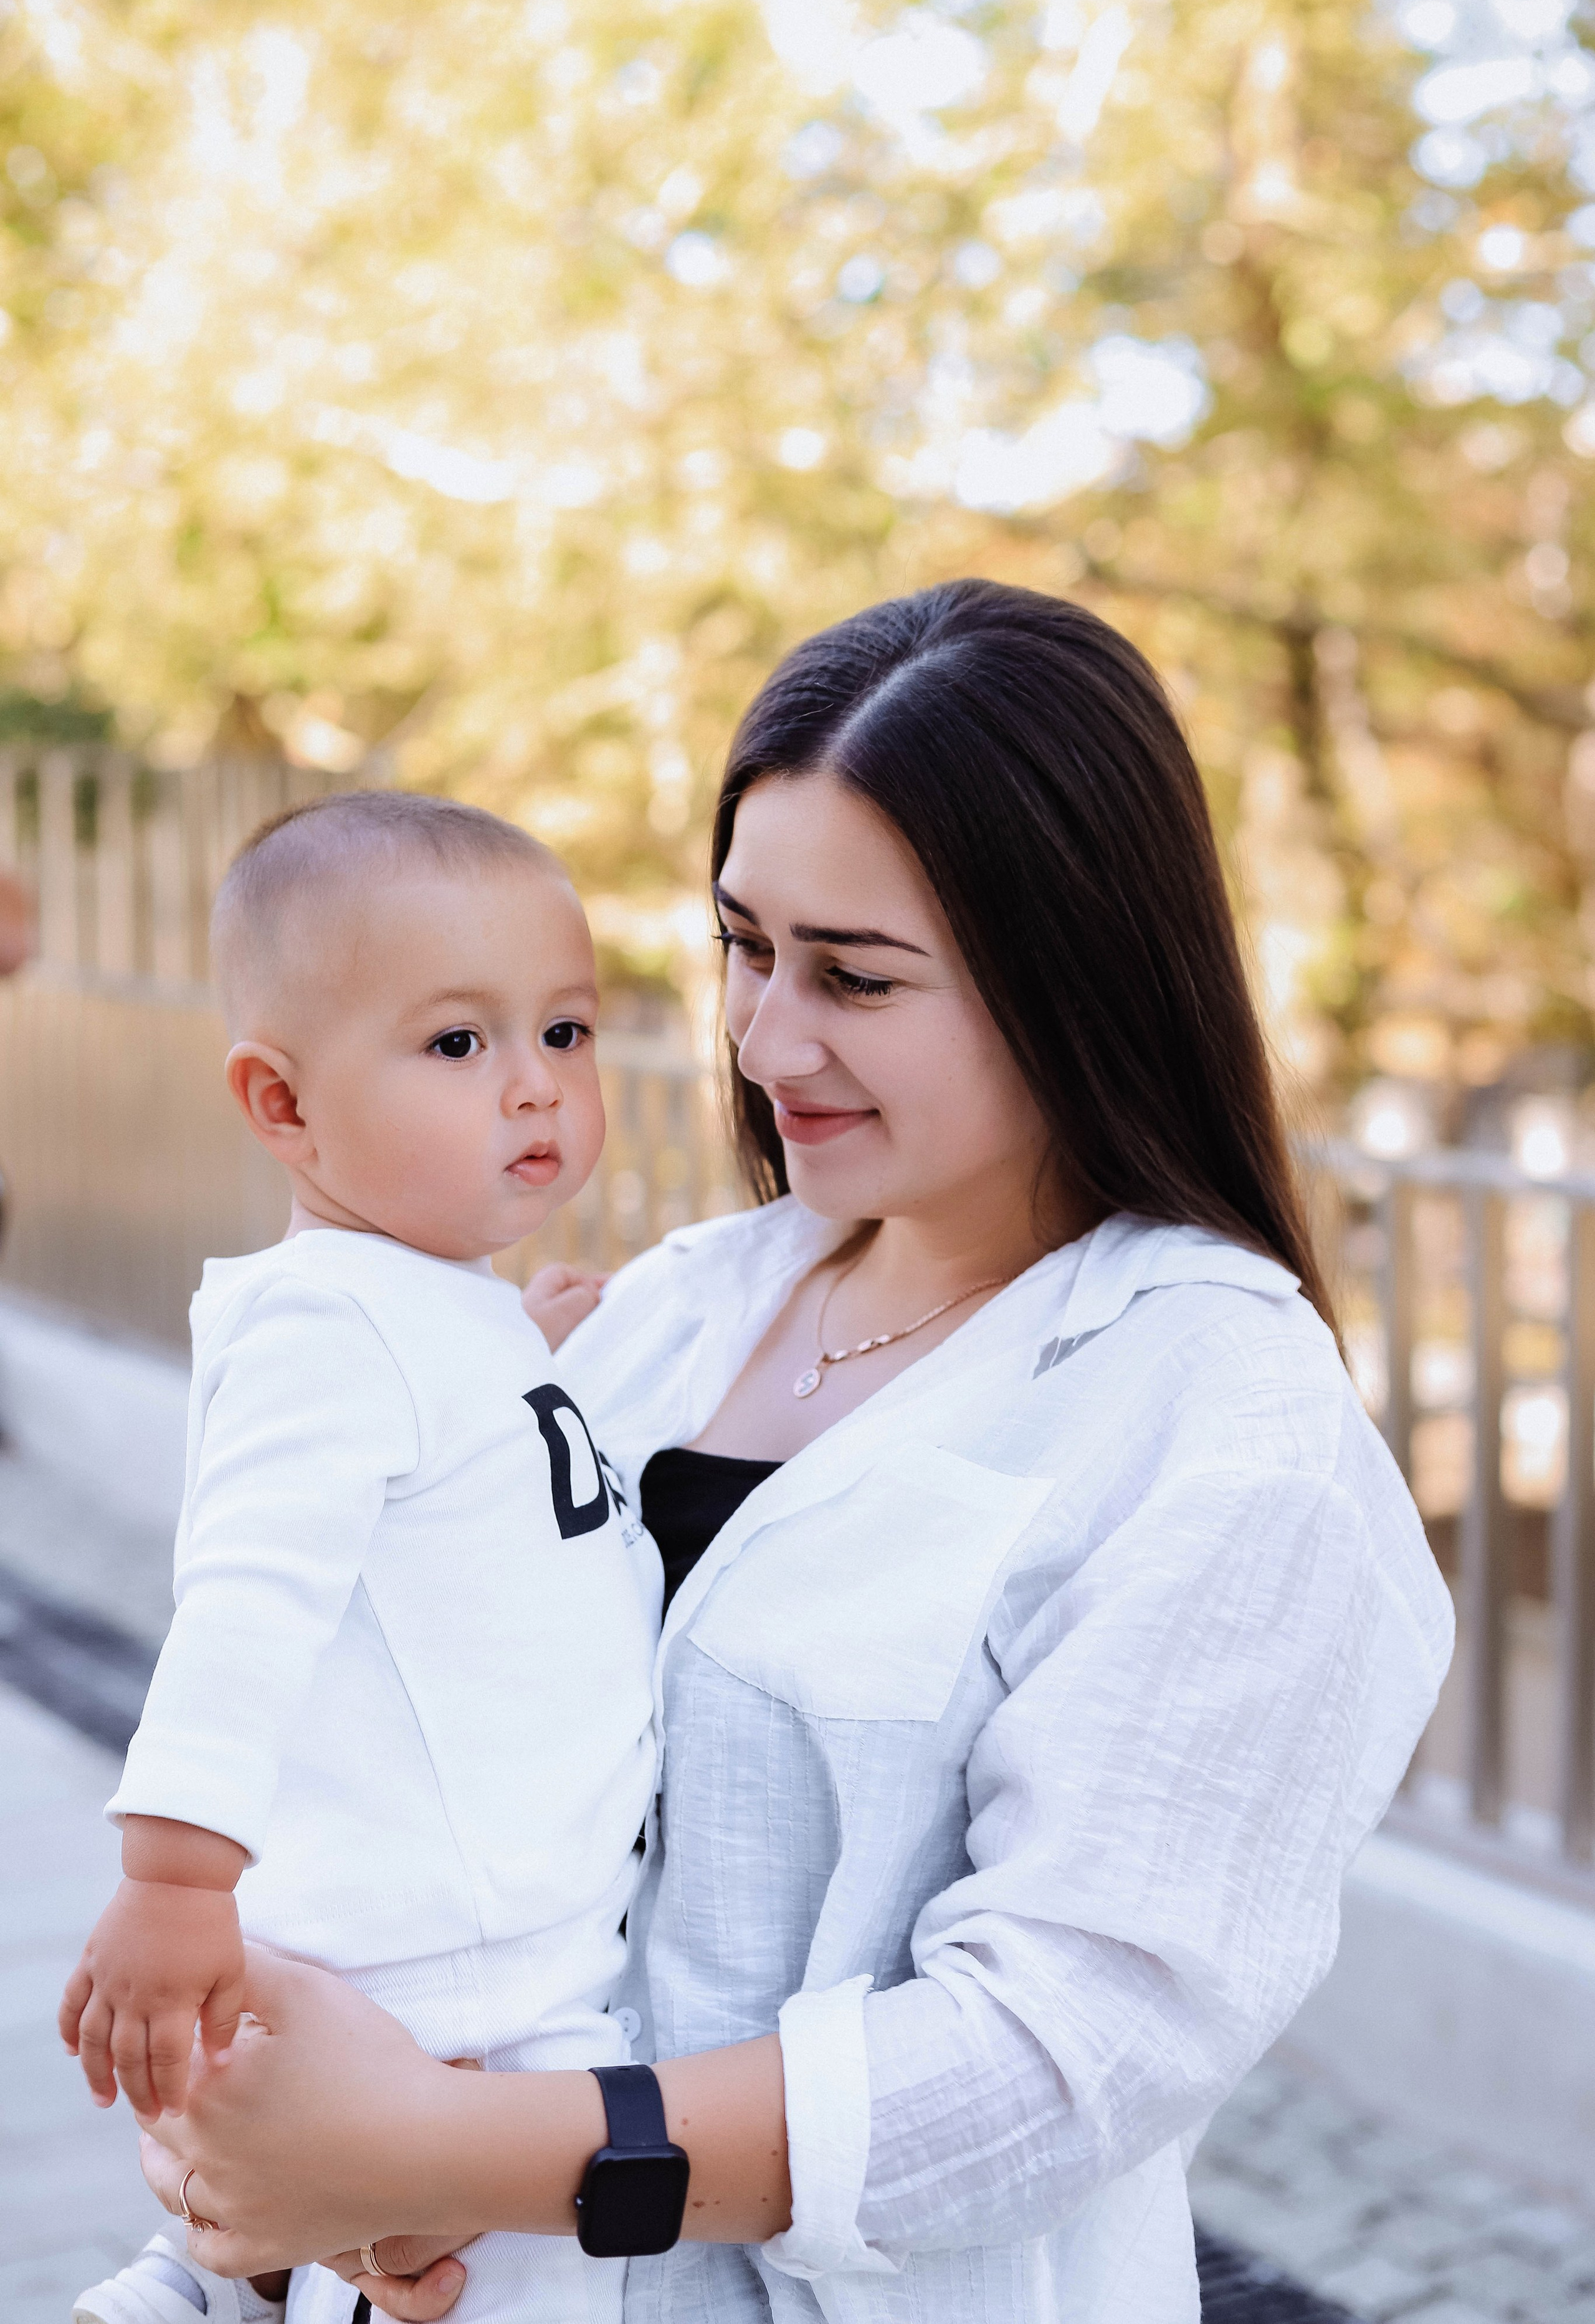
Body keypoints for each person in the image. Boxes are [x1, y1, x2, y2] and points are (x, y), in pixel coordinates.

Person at [140, 581, 1452, 2324]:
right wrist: (246, 2193)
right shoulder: (663, 1312)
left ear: (1078, 978)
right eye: (744, 948)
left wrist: (444, 2152)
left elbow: (1055, 2058)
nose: (764, 1042)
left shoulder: (1225, 1430)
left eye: (855, 977)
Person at [62, 794, 661, 2324]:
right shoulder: (326, 1327)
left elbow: (428, 1486)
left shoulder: (426, 1305)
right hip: (462, 1971)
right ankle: (217, 2289)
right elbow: (247, 1605)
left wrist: (513, 1356)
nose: (533, 1090)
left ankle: (232, 2288)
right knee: (503, 2277)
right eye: (458, 1047)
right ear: (282, 1106)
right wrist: (176, 1879)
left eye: (567, 1033)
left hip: (504, 1951)